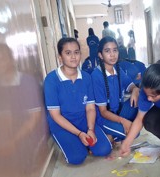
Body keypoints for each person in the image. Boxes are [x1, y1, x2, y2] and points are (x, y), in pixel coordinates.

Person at [44, 37, 112, 165]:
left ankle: (84, 142)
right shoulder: (51, 80)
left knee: (104, 149)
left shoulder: (86, 77)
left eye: (76, 52)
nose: (73, 57)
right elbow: (55, 115)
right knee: (77, 158)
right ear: (60, 57)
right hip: (62, 124)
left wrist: (90, 129)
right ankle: (77, 143)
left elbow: (91, 108)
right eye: (68, 53)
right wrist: (79, 133)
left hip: (83, 121)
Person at [92, 36, 140, 142]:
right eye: (107, 51)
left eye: (115, 50)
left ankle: (112, 134)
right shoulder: (96, 76)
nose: (112, 54)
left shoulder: (117, 69)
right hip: (104, 118)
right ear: (100, 55)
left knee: (141, 97)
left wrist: (135, 90)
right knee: (135, 132)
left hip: (119, 112)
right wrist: (124, 121)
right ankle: (106, 133)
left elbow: (131, 85)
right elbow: (103, 112)